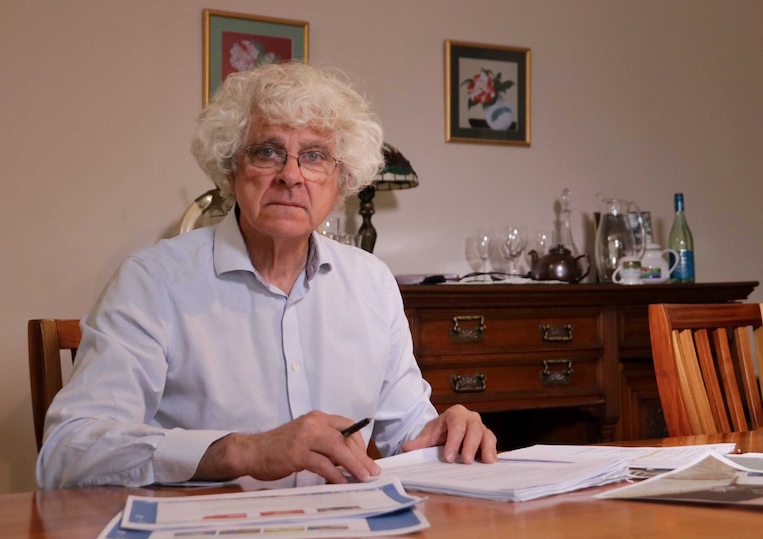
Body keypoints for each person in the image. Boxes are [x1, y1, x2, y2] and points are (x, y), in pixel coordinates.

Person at [37, 62, 497, 490]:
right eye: (268, 151)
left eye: (314, 156)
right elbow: (66, 453)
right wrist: (243, 450)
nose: (291, 175)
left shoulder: (372, 283)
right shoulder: (152, 282)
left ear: (340, 184)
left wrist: (444, 433)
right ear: (231, 170)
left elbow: (410, 437)